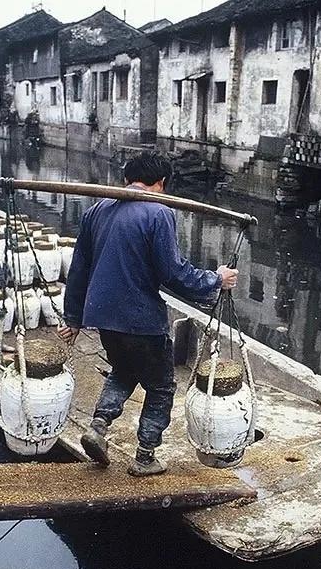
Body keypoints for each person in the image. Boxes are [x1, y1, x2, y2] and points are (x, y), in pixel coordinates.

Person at [58, 151, 239, 476]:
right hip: (141, 319)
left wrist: (73, 317)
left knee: (124, 370)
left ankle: (98, 426)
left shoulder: (97, 209)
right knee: (160, 386)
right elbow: (172, 272)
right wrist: (216, 279)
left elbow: (79, 268)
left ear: (128, 179)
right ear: (161, 182)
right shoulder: (158, 212)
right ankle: (145, 456)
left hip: (104, 317)